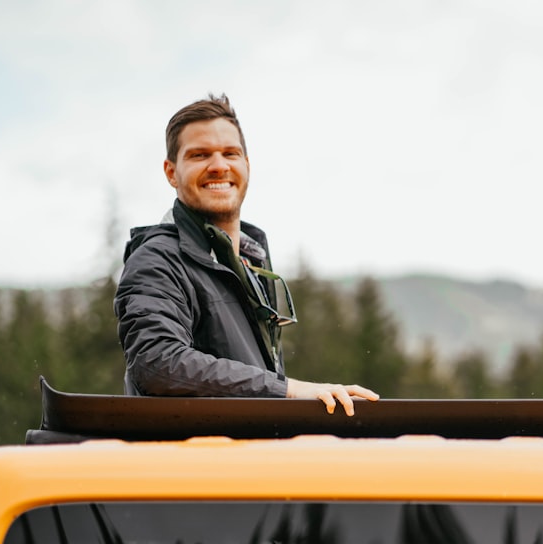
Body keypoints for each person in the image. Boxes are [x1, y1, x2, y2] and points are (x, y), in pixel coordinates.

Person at [114, 94, 379, 416]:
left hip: (246, 461)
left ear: (246, 165)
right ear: (171, 172)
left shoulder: (249, 263)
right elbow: (157, 362)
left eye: (230, 153)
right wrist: (290, 389)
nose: (219, 165)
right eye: (199, 155)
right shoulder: (157, 260)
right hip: (192, 463)